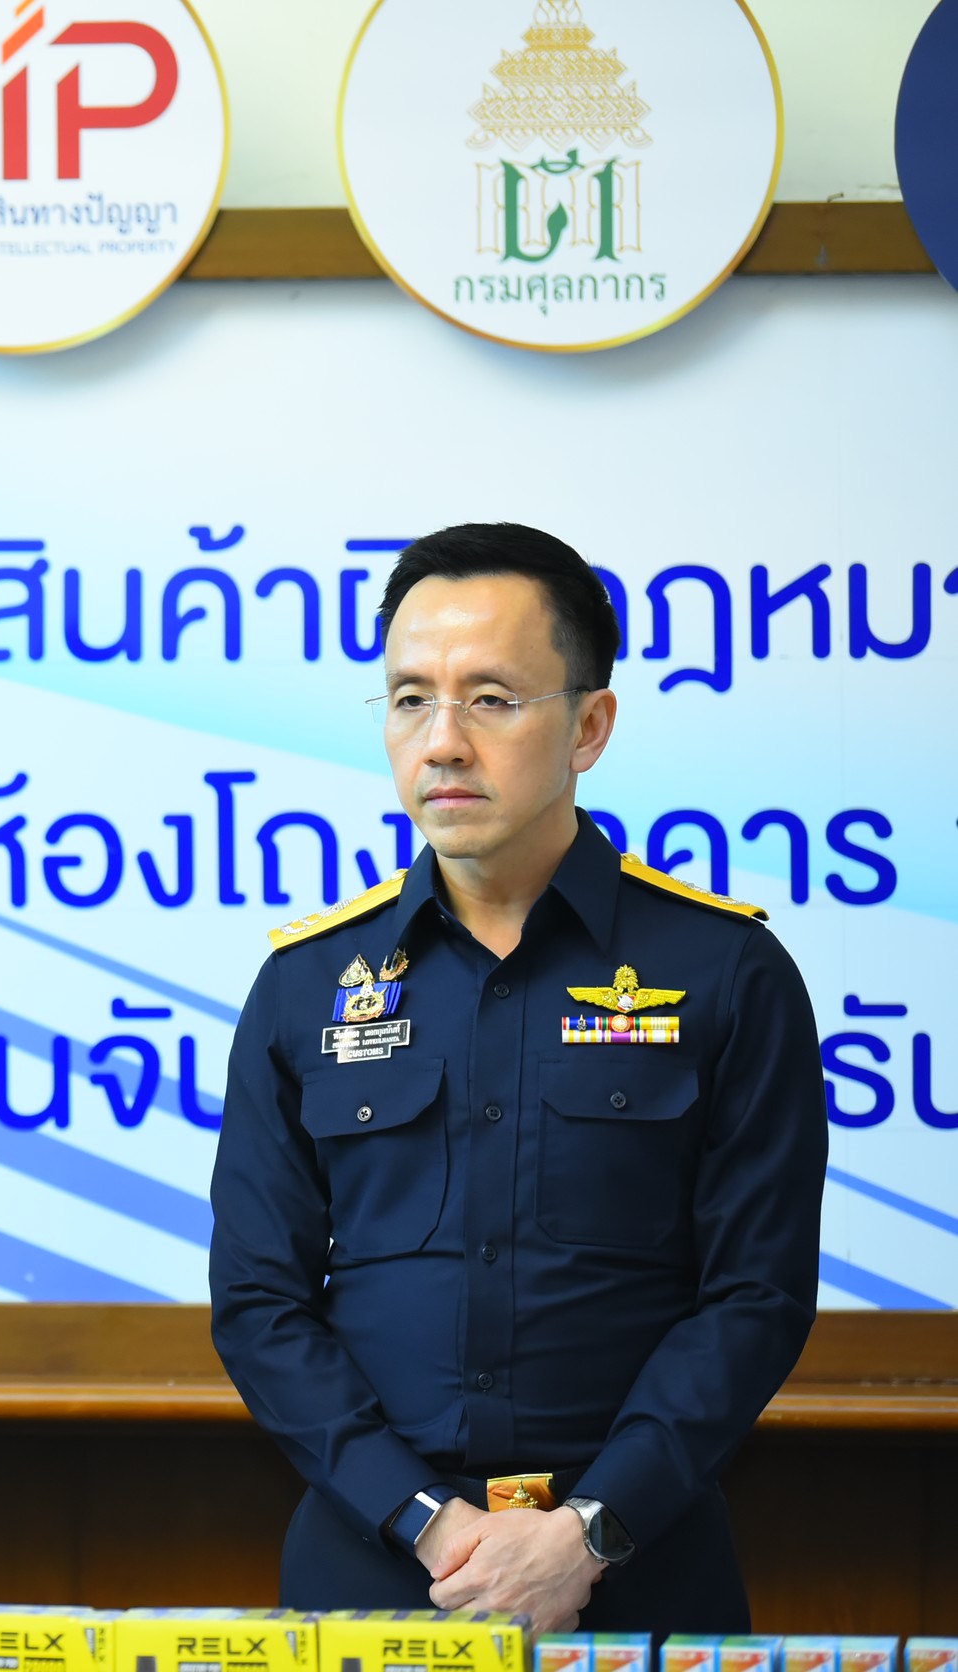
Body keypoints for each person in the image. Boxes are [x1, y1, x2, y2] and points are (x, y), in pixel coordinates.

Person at [208, 523, 824, 1631]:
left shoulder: (727, 971)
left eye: (490, 699)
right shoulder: (307, 985)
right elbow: (260, 1303)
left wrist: (587, 1531)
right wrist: (430, 1525)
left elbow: (755, 1296)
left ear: (589, 726)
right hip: (377, 1569)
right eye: (410, 699)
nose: (442, 742)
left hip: (641, 1569)